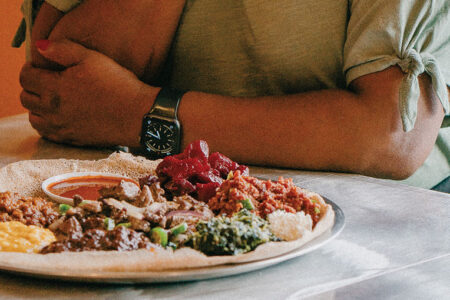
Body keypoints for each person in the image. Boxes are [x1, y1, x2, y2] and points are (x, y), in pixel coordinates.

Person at [15, 0, 450, 190]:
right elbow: (60, 91)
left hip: (372, 228)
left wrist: (145, 114)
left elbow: (392, 134)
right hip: (146, 202)